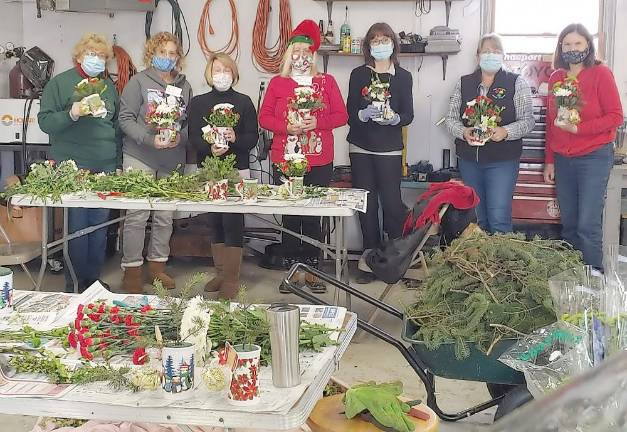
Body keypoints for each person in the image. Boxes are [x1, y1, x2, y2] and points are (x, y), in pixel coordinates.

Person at [259, 19, 348, 294]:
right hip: (286, 159)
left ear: (313, 56)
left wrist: (317, 124)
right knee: (290, 215)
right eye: (295, 52)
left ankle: (312, 271)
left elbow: (342, 115)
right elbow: (264, 118)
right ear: (289, 56)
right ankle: (292, 272)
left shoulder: (326, 82)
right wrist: (286, 126)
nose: (301, 57)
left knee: (313, 215)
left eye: (306, 53)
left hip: (319, 158)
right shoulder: (277, 84)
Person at [38, 33, 120, 293]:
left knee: (99, 226)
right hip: (73, 166)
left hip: (104, 165)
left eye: (101, 56)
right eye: (91, 54)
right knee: (77, 227)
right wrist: (71, 113)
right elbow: (45, 122)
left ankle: (93, 281)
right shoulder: (60, 84)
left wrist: (116, 163)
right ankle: (73, 283)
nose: (96, 60)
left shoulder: (109, 87)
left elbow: (116, 128)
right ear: (79, 56)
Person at [544, 24, 623, 270]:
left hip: (593, 157)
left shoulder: (601, 74)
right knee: (569, 224)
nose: (572, 49)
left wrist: (579, 129)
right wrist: (549, 159)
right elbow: (551, 122)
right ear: (560, 47)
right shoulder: (556, 77)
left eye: (578, 44)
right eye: (567, 44)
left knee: (587, 225)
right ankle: (573, 279)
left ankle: (594, 281)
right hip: (563, 159)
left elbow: (615, 116)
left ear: (588, 45)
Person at [118, 32, 193, 293]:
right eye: (162, 53)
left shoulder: (185, 86)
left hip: (171, 159)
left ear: (178, 57)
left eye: (172, 53)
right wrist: (149, 140)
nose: (167, 58)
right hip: (140, 156)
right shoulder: (137, 82)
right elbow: (125, 119)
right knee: (137, 215)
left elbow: (188, 124)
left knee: (164, 217)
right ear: (152, 54)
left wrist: (178, 138)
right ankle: (132, 270)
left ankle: (157, 268)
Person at [445, 33, 534, 235]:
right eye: (486, 52)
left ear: (503, 56)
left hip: (502, 161)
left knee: (499, 218)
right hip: (470, 161)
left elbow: (528, 121)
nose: (491, 55)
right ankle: (480, 265)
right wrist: (464, 131)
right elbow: (450, 119)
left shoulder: (516, 82)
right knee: (476, 219)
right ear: (477, 56)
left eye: (496, 52)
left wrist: (505, 131)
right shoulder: (464, 83)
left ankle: (502, 266)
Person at [346, 23, 414, 284]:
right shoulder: (358, 74)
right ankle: (368, 259)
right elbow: (350, 112)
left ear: (393, 44)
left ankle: (392, 259)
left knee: (392, 202)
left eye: (385, 39)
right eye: (375, 40)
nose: (380, 44)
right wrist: (362, 115)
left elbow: (409, 114)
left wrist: (395, 119)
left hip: (390, 148)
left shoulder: (403, 77)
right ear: (368, 46)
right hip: (360, 146)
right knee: (366, 203)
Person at [188, 53, 258, 299]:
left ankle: (232, 278)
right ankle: (220, 272)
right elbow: (194, 138)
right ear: (209, 73)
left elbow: (252, 138)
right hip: (208, 169)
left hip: (236, 168)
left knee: (233, 221)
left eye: (226, 70)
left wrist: (235, 139)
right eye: (217, 69)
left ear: (234, 73)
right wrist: (210, 147)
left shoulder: (244, 102)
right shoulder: (198, 103)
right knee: (214, 220)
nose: (222, 74)